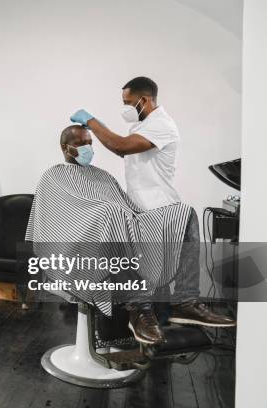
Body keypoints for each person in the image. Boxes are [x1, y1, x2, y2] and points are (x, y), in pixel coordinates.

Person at [55, 125, 235, 345]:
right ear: (66, 148)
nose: (88, 148)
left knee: (184, 213)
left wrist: (156, 223)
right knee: (112, 217)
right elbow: (57, 220)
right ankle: (138, 307)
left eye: (90, 143)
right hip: (86, 245)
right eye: (81, 143)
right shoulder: (55, 177)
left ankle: (185, 301)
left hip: (123, 229)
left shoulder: (103, 176)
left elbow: (128, 207)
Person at [69, 76, 179, 211]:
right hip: (141, 206)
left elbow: (120, 147)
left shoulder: (161, 124)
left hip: (160, 206)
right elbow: (128, 153)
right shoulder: (140, 126)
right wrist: (99, 129)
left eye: (128, 103)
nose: (125, 108)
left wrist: (91, 121)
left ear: (144, 100)